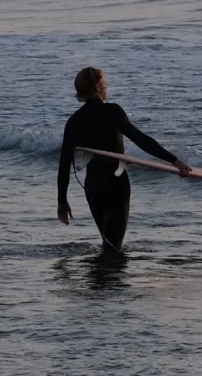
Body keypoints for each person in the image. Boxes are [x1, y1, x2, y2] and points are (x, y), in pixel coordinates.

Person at [57, 64, 192, 250]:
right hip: (116, 184)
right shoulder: (112, 111)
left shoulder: (74, 121)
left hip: (93, 186)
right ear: (96, 87)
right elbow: (141, 140)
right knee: (114, 246)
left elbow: (64, 163)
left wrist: (62, 201)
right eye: (104, 84)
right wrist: (174, 160)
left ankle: (102, 268)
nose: (106, 87)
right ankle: (108, 268)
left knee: (108, 242)